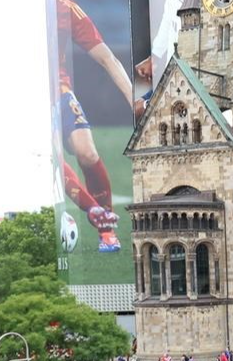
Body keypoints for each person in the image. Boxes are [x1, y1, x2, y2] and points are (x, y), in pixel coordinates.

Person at [55, 0, 140, 253]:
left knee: (88, 153)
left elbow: (107, 58)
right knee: (54, 158)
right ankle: (94, 210)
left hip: (60, 91)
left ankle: (107, 232)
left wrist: (135, 102)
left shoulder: (65, 8)